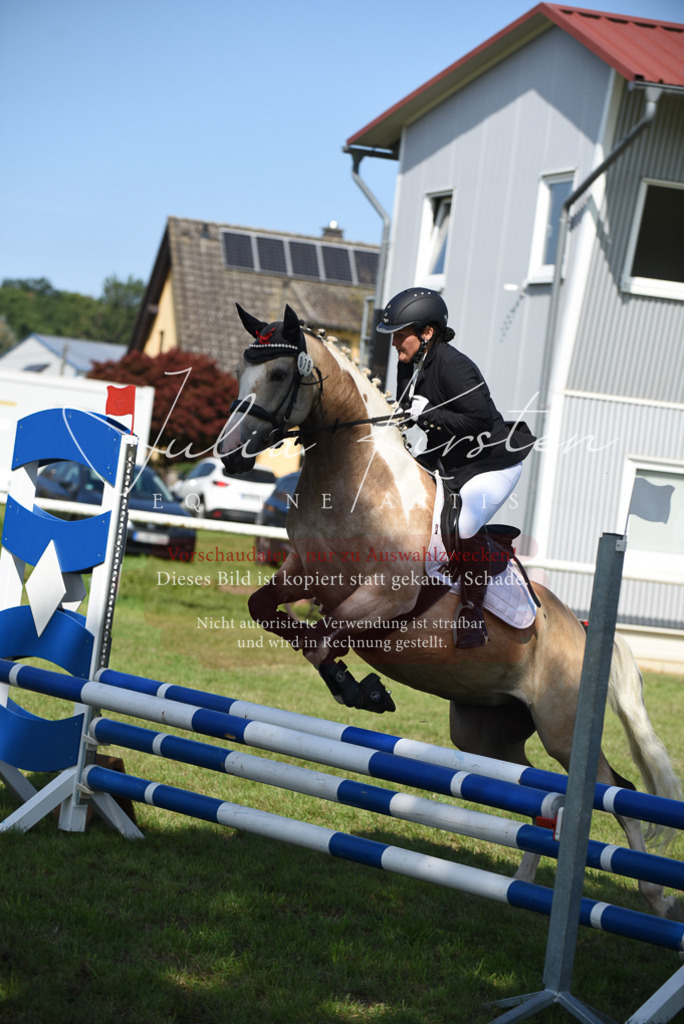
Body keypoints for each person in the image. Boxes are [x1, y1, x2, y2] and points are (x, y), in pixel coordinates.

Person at [376, 287, 536, 648]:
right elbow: (409, 413)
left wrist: (426, 414)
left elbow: (478, 421)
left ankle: (472, 610)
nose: (394, 343)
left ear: (427, 332)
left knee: (465, 522)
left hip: (492, 462)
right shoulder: (409, 364)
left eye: (401, 335)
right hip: (451, 459)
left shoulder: (454, 364)